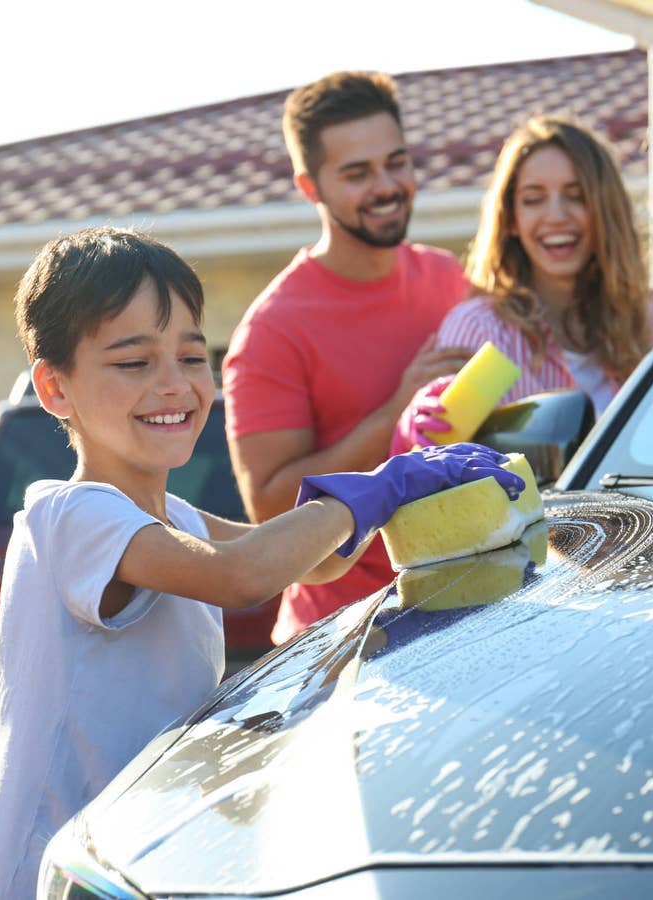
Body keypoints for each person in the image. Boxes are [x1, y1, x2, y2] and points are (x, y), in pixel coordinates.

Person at [0, 226, 522, 900]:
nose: (174, 385)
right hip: (42, 881)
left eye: (192, 357)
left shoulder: (177, 521)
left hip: (122, 868)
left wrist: (413, 489)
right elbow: (241, 576)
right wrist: (379, 486)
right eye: (134, 363)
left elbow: (312, 565)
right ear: (55, 389)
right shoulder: (69, 517)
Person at [223, 70, 473, 644]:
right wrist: (396, 414)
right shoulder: (272, 330)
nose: (386, 185)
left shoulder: (448, 278)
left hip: (461, 607)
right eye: (357, 173)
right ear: (311, 187)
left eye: (396, 162)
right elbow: (269, 509)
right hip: (338, 638)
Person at [392, 115, 653, 453]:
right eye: (534, 199)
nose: (556, 215)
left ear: (606, 210)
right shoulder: (479, 331)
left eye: (577, 196)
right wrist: (417, 429)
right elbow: (438, 468)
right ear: (511, 219)